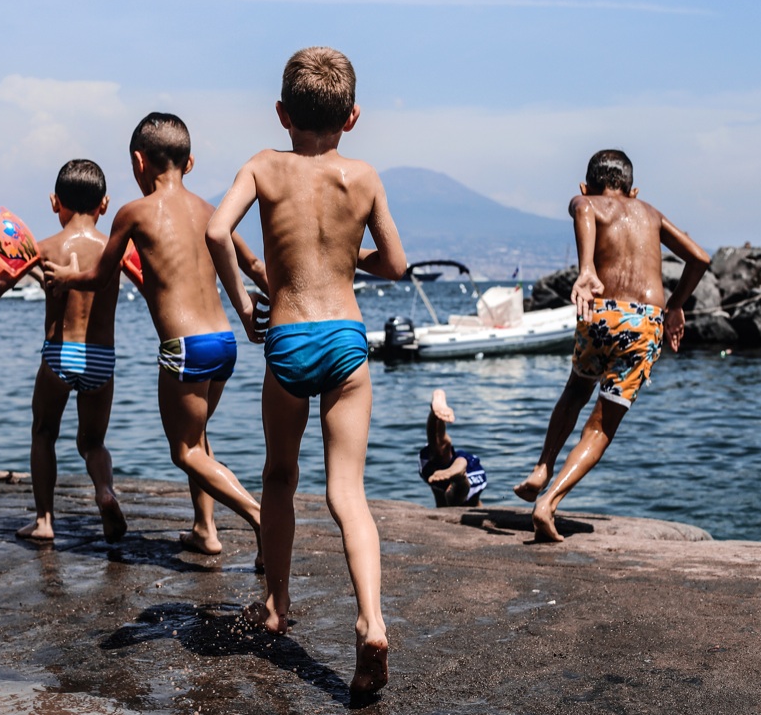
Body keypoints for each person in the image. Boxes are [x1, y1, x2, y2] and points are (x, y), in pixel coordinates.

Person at [206, 46, 406, 699]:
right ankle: (372, 621)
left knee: (279, 476)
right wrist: (352, 266)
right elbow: (398, 265)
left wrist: (243, 302)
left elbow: (215, 229)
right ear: (352, 117)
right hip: (346, 338)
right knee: (348, 491)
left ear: (281, 112)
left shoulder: (264, 166)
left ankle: (276, 604)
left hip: (288, 336)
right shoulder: (365, 176)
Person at [44, 114, 266, 569]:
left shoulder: (135, 212)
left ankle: (262, 519)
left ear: (138, 162)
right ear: (191, 162)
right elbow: (255, 265)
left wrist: (68, 276)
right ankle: (205, 531)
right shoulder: (209, 210)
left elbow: (99, 276)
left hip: (185, 348)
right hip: (224, 343)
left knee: (184, 451)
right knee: (200, 439)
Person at [512, 149, 710, 543]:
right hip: (643, 324)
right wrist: (674, 307)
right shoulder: (649, 212)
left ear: (586, 185)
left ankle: (542, 467)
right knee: (602, 423)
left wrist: (587, 268)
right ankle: (548, 502)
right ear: (632, 190)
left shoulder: (586, 201)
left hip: (600, 314)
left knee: (576, 389)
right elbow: (699, 258)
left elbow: (583, 208)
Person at [0, 160, 126, 543]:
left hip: (59, 353)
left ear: (55, 203)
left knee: (44, 432)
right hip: (102, 357)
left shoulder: (46, 248)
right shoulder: (113, 249)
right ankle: (104, 490)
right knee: (93, 442)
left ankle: (45, 520)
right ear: (104, 204)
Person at [419, 389, 487, 508]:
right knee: (441, 453)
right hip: (470, 468)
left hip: (461, 474)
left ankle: (435, 415)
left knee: (453, 499)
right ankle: (459, 472)